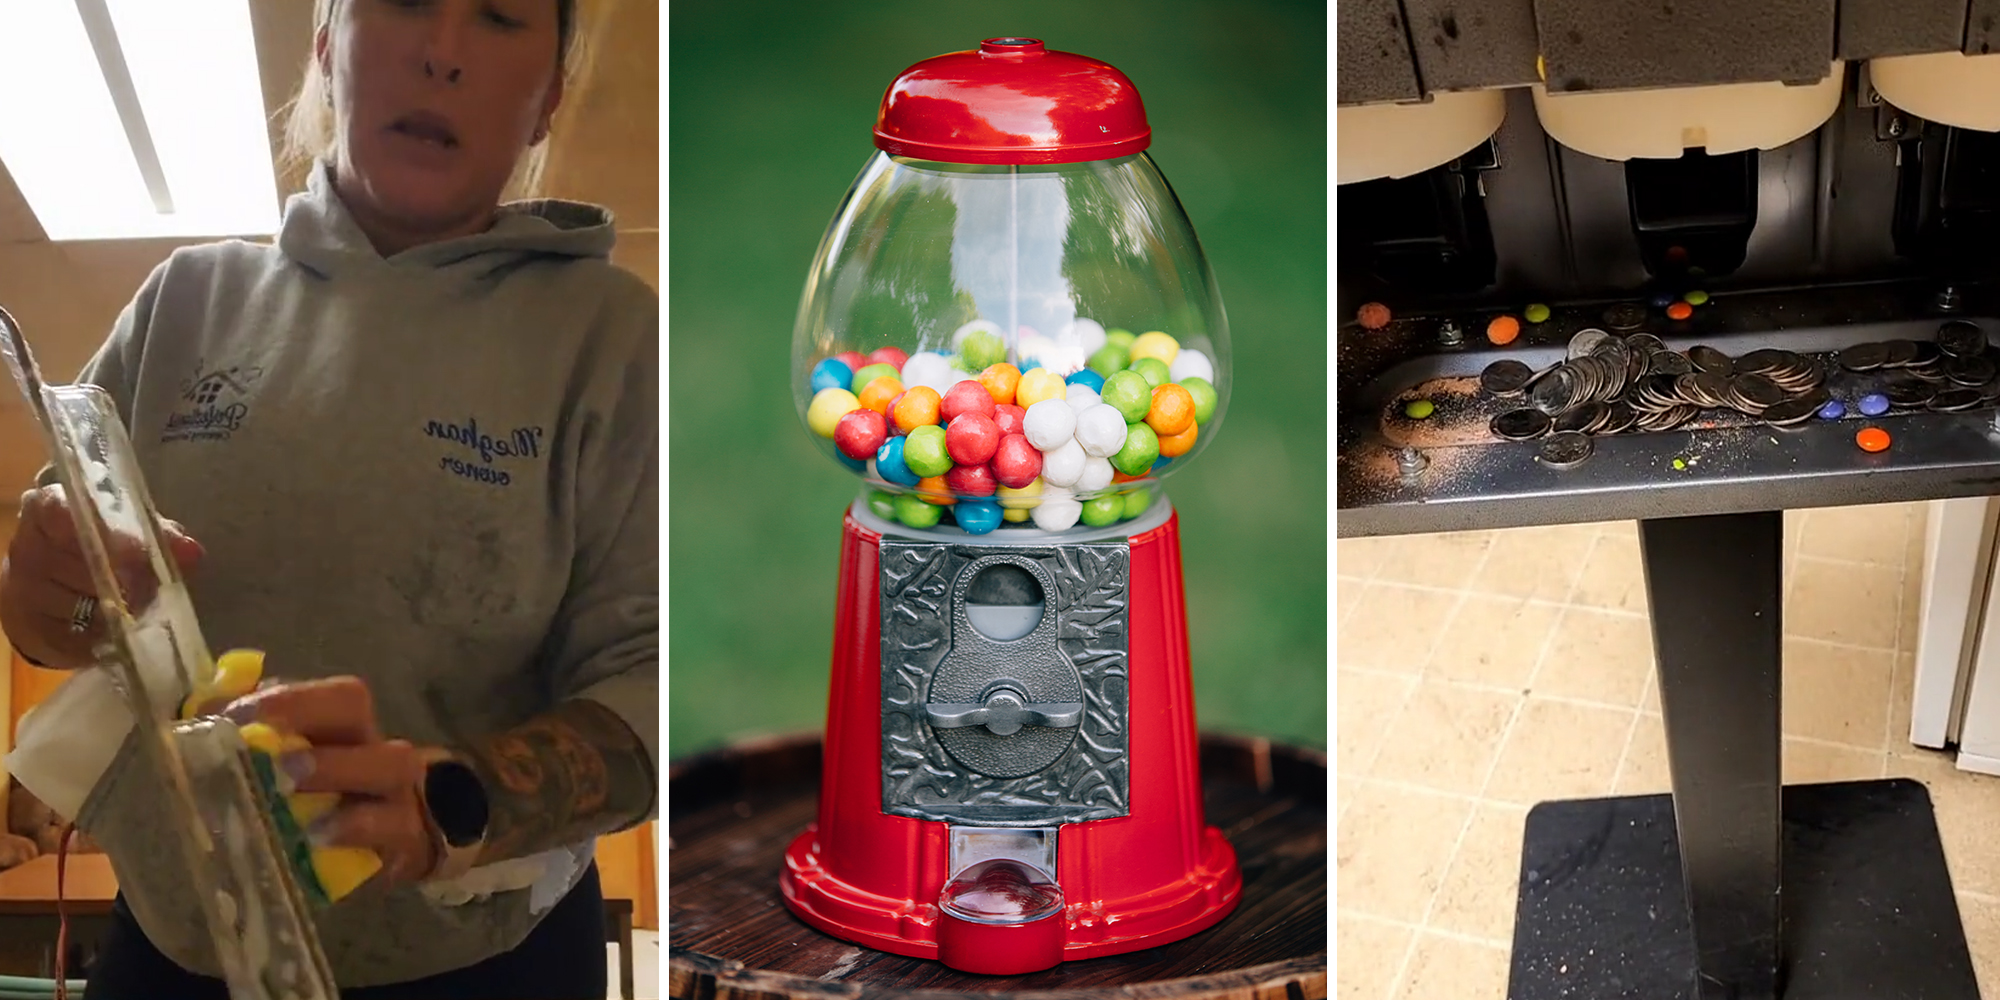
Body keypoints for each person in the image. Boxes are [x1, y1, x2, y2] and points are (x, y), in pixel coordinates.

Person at [0, 0, 657, 997]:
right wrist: (47, 596)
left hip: (482, 961)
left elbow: (651, 682)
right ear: (324, 47)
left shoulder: (611, 338)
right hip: (172, 943)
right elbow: (56, 612)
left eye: (498, 16)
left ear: (548, 97)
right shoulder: (184, 300)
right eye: (403, 1)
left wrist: (449, 800)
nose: (441, 52)